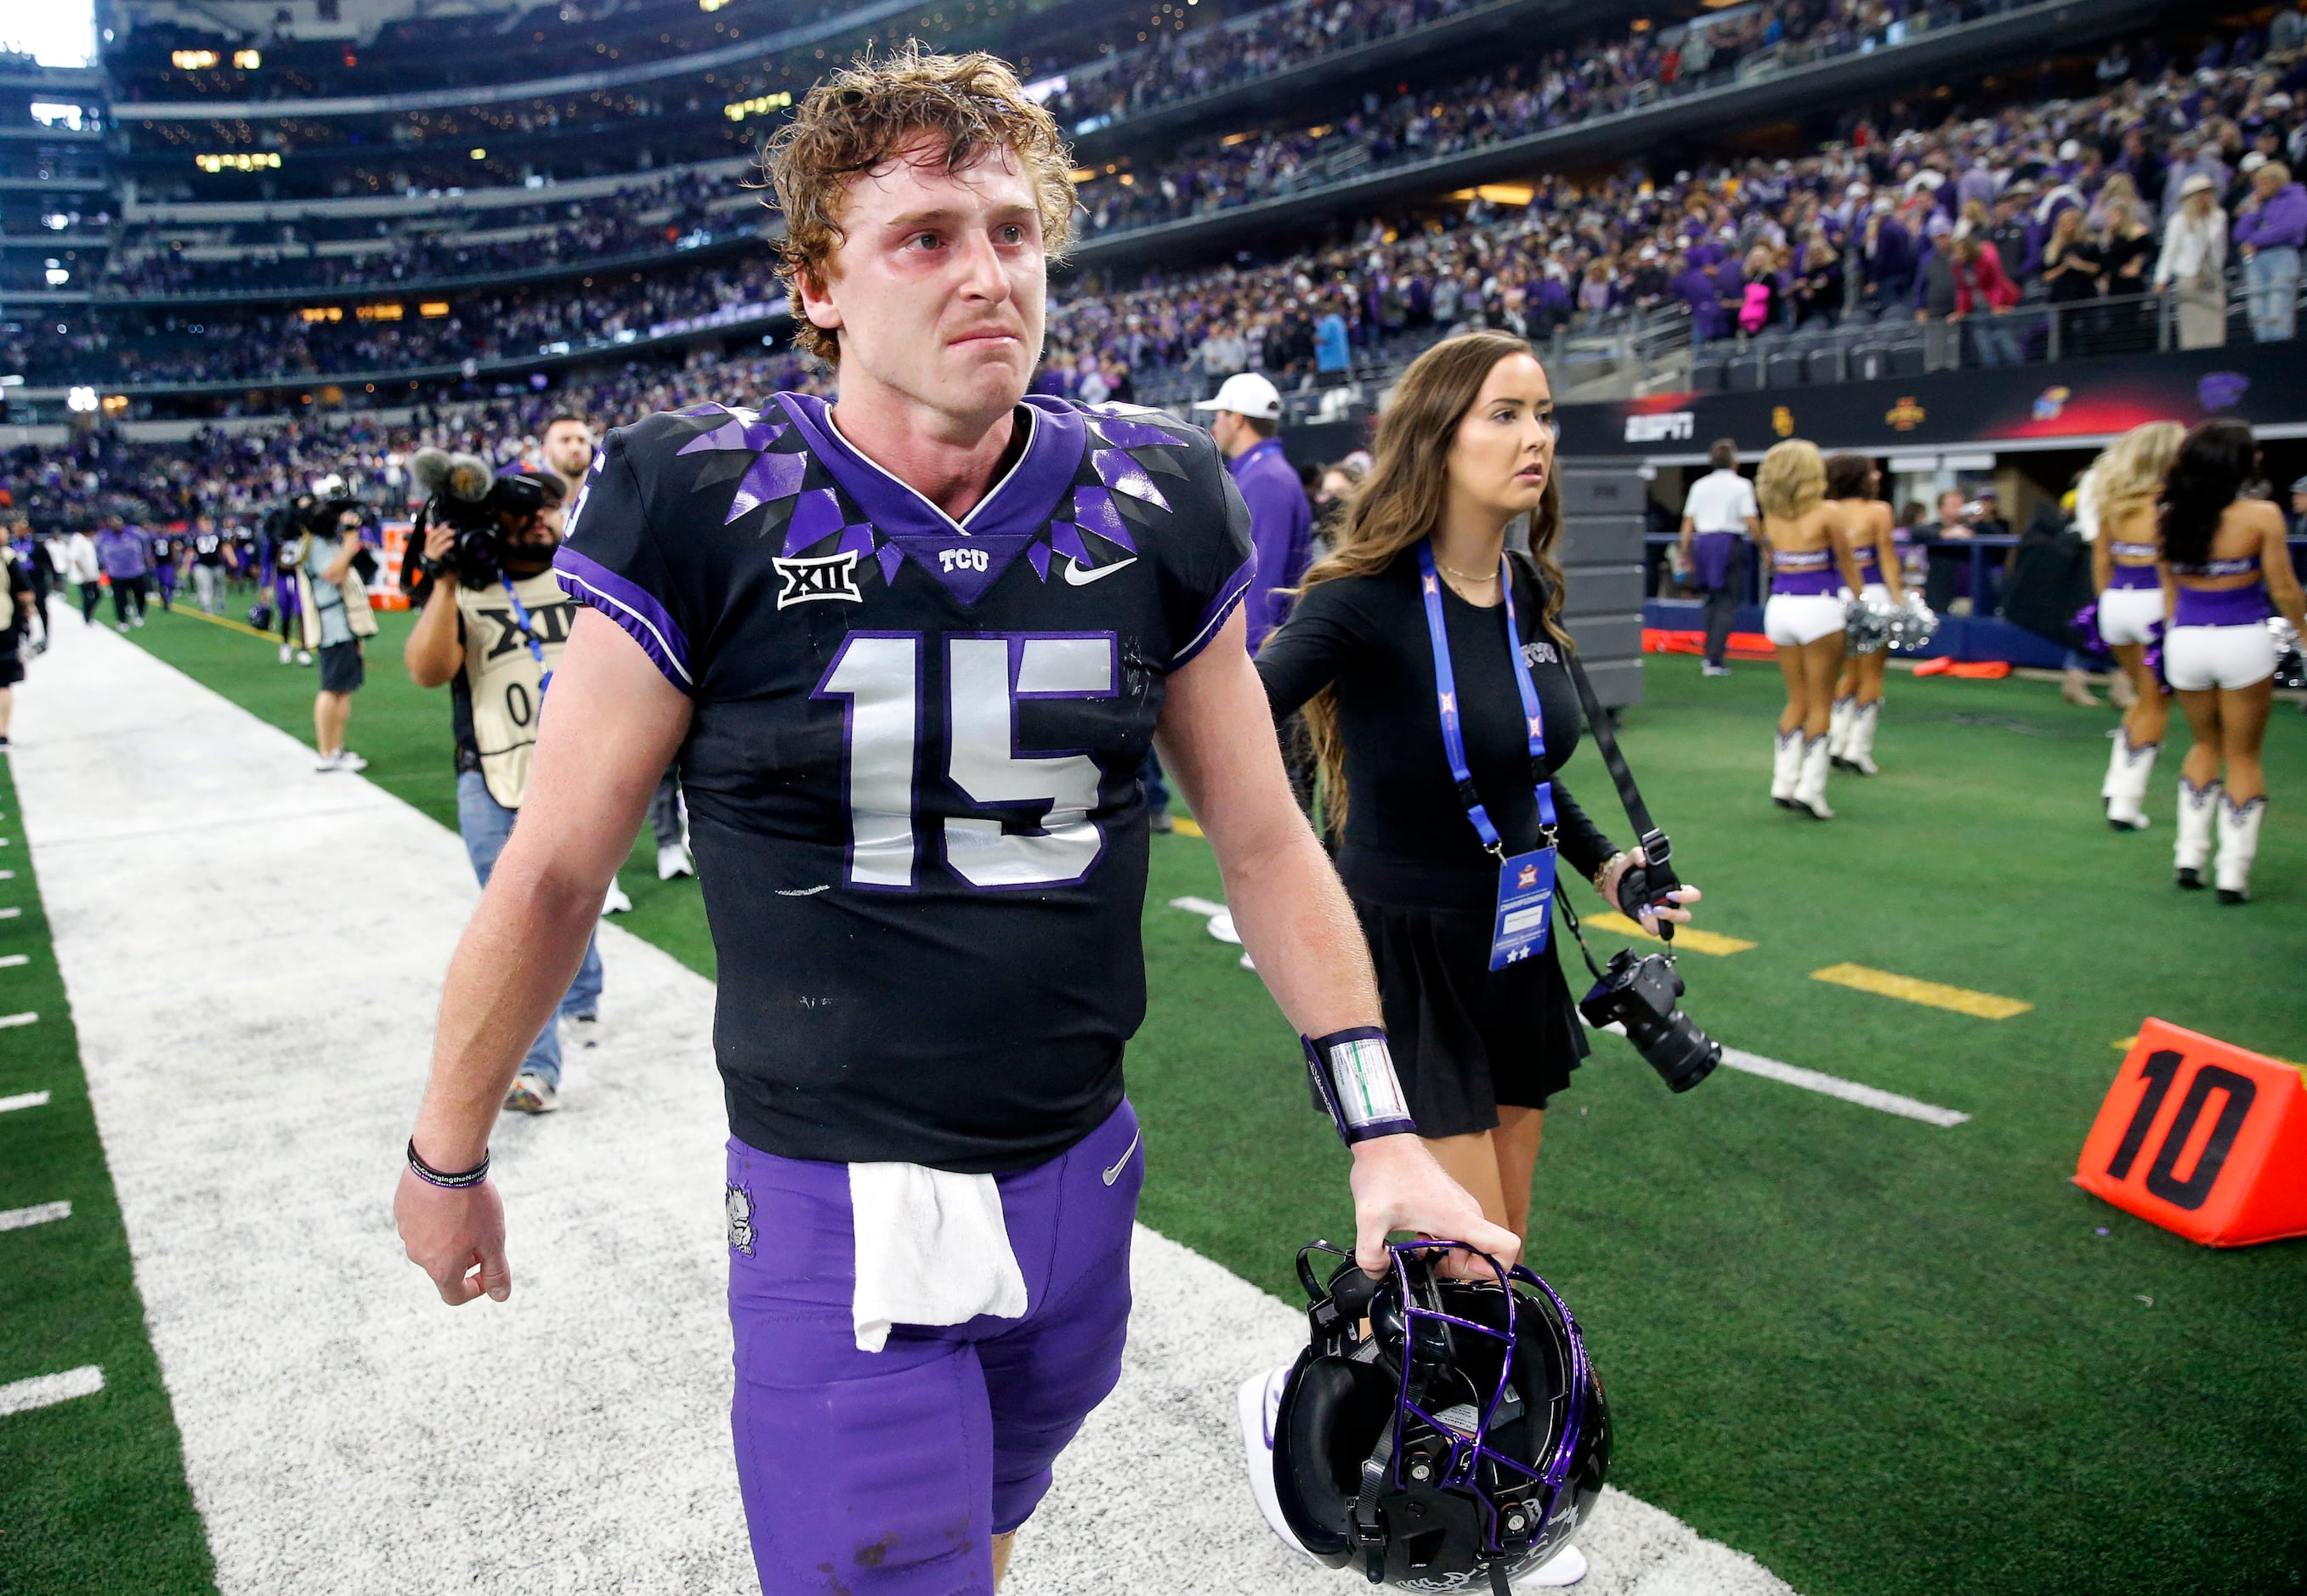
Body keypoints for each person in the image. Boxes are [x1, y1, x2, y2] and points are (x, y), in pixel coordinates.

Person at [394, 46, 1511, 1596]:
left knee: (986, 1522)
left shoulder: (1157, 489)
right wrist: (445, 1156)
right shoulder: (694, 492)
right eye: (923, 235)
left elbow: (1260, 839)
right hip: (842, 1199)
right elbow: (560, 866)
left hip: (1083, 1171)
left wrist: (1382, 1127)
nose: (984, 271)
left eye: (1009, 228)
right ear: (818, 283)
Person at [1251, 331, 1700, 1588]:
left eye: (1544, 412)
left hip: (1510, 952)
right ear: (1439, 438)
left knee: (1497, 1240)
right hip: (1399, 954)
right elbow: (1237, 717)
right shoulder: (1362, 600)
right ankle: (1358, 1452)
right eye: (1505, 413)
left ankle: (1471, 1461)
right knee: (1464, 1250)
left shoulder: (1527, 594)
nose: (1536, 437)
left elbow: (1525, 779)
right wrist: (1270, 868)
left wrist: (1611, 868)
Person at [401, 468, 604, 1110]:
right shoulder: (470, 584)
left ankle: (584, 989)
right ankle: (537, 1066)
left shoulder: (583, 575)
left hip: (575, 771)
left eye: (552, 507)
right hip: (491, 771)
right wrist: (446, 578)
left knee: (570, 896)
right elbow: (428, 671)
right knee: (520, 917)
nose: (543, 518)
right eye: (528, 510)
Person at [2160, 420, 2307, 903]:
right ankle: (2232, 873)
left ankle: (2189, 855)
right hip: (2243, 640)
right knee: (2244, 755)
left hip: (2185, 640)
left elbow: (2169, 593)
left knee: (2204, 745)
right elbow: (2285, 590)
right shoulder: (2263, 515)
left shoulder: (2168, 513)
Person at [541, 410, 680, 891]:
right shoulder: (534, 516)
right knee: (582, 772)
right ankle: (603, 878)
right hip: (555, 651)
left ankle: (669, 844)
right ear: (546, 450)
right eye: (565, 439)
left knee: (656, 759)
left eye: (582, 438)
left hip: (628, 651)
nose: (576, 446)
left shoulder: (619, 498)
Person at [2083, 423, 2185, 831]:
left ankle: (2115, 783)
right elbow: (2171, 570)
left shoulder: (2114, 499)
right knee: (2156, 701)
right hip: (2154, 603)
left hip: (2114, 602)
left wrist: (2105, 603)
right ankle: (2126, 802)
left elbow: (2101, 561)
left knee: (2142, 698)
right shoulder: (2171, 505)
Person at [1758, 439, 1866, 820]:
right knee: (1822, 702)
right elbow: (1849, 567)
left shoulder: (1771, 513)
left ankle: (1782, 781)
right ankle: (1810, 790)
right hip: (1819, 608)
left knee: (1796, 699)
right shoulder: (1828, 513)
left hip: (1779, 608)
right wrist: (1862, 604)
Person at [1191, 370, 1311, 652]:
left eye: (1220, 414)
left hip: (1262, 651)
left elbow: (1261, 582)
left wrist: (1252, 657)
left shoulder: (1266, 479)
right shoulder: (1261, 473)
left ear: (1238, 418)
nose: (1214, 425)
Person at [1822, 456, 1905, 777]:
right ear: (1859, 477)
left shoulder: (1825, 511)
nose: (1878, 475)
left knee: (1849, 674)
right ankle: (1858, 750)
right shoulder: (1879, 511)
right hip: (1872, 594)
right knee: (1872, 676)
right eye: (1871, 471)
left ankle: (1836, 742)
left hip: (1835, 599)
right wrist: (1899, 602)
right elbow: (1887, 558)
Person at [294, 496, 377, 773]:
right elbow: (333, 573)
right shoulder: (317, 545)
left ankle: (335, 749)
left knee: (342, 689)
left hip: (343, 625)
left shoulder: (316, 543)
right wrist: (350, 541)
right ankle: (327, 751)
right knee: (332, 689)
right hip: (334, 627)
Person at [1679, 438, 1760, 677]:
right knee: (1727, 602)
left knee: (1711, 600)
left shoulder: (1700, 485)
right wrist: (1764, 545)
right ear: (1735, 462)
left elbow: (1688, 521)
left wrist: (1685, 550)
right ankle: (1715, 659)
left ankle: (1710, 656)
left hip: (1703, 543)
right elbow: (1751, 519)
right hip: (1727, 543)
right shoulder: (1742, 485)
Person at [2231, 157, 2306, 342]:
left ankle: (2278, 349)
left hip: (2282, 257)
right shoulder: (2259, 202)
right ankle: (2262, 345)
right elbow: (2239, 234)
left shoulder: (2296, 198)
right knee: (2257, 310)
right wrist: (2253, 211)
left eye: (2264, 182)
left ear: (2276, 180)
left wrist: (2254, 241)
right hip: (2257, 261)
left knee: (2278, 308)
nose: (2259, 186)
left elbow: (2289, 230)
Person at [2155, 173, 2230, 350]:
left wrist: (2217, 268)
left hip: (2212, 276)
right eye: (2202, 193)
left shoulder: (2219, 217)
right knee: (2192, 330)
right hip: (2189, 278)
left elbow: (2222, 247)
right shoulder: (2178, 221)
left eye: (2208, 193)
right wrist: (2161, 279)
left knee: (2215, 326)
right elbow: (2169, 252)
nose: (2206, 198)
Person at [0, 535, 31, 750]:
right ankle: (1, 733)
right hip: (3, 624)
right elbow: (24, 593)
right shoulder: (7, 557)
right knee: (3, 683)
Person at [94, 519, 151, 632]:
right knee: (119, 599)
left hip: (136, 571)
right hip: (116, 573)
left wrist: (146, 556)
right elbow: (98, 551)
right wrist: (103, 564)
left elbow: (146, 543)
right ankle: (122, 620)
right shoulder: (103, 537)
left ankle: (139, 614)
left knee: (141, 595)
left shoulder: (135, 532)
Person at [63, 525, 101, 625]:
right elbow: (76, 559)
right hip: (83, 576)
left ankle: (89, 614)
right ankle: (87, 617)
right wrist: (84, 573)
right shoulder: (77, 540)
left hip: (92, 574)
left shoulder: (87, 540)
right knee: (87, 596)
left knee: (97, 594)